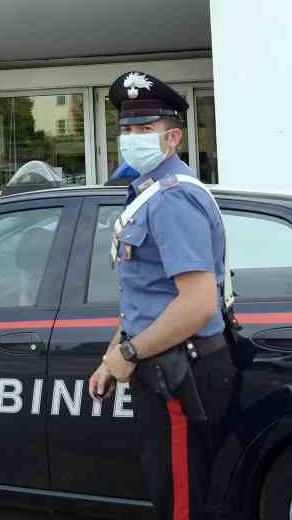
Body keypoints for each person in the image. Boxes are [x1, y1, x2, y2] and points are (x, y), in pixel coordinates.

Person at [87, 71, 234, 520]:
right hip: (165, 364)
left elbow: (197, 303)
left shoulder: (171, 199)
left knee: (182, 503)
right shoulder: (148, 192)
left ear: (172, 138)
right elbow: (148, 293)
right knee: (171, 489)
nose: (131, 139)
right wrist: (114, 352)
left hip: (179, 370)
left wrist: (128, 352)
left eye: (144, 130)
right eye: (127, 130)